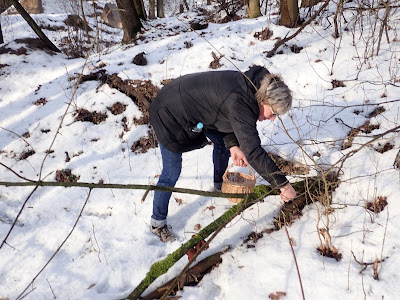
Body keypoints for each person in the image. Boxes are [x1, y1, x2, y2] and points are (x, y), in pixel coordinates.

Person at [149, 65, 297, 242]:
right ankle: (157, 222)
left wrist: (233, 145)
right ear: (264, 99)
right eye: (273, 112)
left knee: (222, 143)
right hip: (168, 111)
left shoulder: (253, 86)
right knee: (171, 171)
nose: (272, 118)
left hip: (191, 103)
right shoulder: (242, 103)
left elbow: (225, 112)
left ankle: (220, 185)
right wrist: (283, 184)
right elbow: (253, 151)